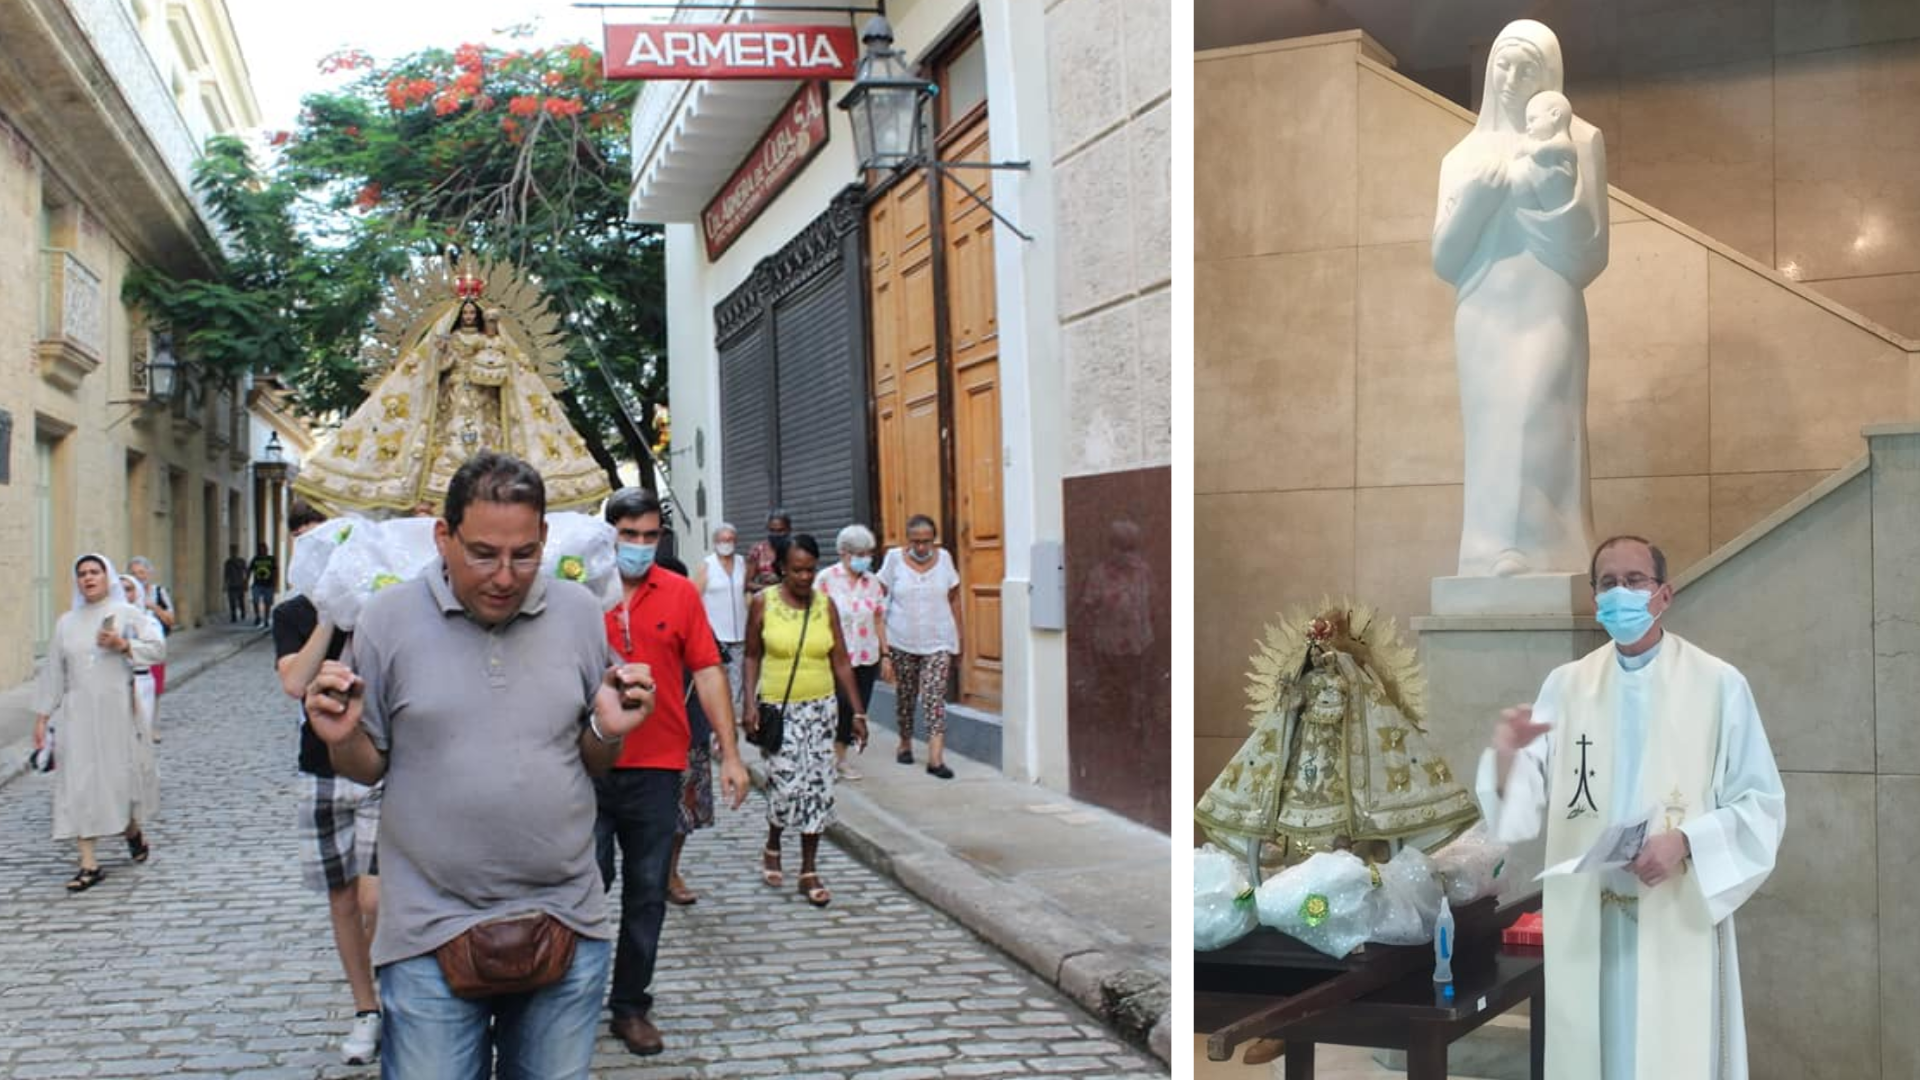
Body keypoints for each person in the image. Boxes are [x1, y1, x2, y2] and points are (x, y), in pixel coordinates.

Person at [302, 452, 657, 1078]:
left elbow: (591, 759)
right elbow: (368, 766)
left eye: (523, 554)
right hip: (426, 931)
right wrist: (340, 736)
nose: (503, 575)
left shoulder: (578, 613)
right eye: (483, 553)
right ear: (444, 536)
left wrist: (608, 727)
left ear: (545, 538)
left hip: (565, 918)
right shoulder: (387, 620)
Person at [1477, 535, 1786, 1080]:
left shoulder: (1717, 683)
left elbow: (1761, 803)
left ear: (1664, 595)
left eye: (1635, 581)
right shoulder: (1567, 685)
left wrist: (1686, 841)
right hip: (1587, 910)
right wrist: (1506, 755)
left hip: (1673, 904)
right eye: (1607, 583)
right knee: (1592, 1049)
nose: (1621, 592)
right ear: (1595, 599)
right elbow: (1521, 809)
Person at [1432, 19, 1605, 578]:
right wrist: (1479, 199)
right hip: (1482, 311)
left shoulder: (1581, 139)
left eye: (1527, 67)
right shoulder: (1461, 157)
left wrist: (1553, 189)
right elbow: (1444, 258)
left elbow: (1593, 251)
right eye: (1503, 63)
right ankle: (1487, 551)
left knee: (1539, 417)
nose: (1511, 78)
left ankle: (1542, 549)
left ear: (1550, 75)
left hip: (1547, 301)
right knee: (1492, 433)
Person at [593, 488, 749, 1058]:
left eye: (648, 536)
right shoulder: (578, 591)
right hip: (585, 763)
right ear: (607, 533)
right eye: (628, 535)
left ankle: (631, 1006)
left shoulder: (681, 592)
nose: (638, 546)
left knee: (647, 892)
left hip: (658, 768)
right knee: (585, 884)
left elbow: (707, 671)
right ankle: (567, 992)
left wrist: (730, 755)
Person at [289, 273, 609, 517]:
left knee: (487, 446)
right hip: (453, 400)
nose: (469, 317)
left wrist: (493, 344)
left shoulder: (491, 340)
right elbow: (436, 368)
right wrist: (440, 355)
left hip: (485, 405)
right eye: (465, 314)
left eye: (473, 314)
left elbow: (502, 368)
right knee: (446, 448)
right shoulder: (450, 339)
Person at [272, 500, 384, 1066]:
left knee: (375, 893)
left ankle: (395, 993)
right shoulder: (295, 612)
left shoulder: (381, 604)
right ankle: (367, 1010)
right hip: (320, 768)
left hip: (379, 766)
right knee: (343, 898)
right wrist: (328, 614)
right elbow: (295, 680)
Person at [742, 534, 869, 907]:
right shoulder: (763, 603)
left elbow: (841, 660)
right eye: (797, 569)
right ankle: (773, 842)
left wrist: (858, 711)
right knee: (785, 784)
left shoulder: (825, 605)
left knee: (818, 787)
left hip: (821, 709)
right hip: (780, 709)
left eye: (810, 569)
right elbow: (751, 656)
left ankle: (809, 870)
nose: (804, 577)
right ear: (782, 568)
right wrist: (749, 704)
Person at [31, 554, 164, 892]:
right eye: (82, 574)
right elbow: (54, 673)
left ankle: (130, 830)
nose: (88, 578)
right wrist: (43, 716)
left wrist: (123, 645)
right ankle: (88, 863)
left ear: (107, 578)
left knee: (115, 781)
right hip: (76, 715)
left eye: (95, 572)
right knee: (77, 784)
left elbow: (157, 648)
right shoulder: (66, 623)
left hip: (116, 712)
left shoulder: (126, 614)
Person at [877, 514, 963, 779]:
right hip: (901, 640)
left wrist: (960, 640)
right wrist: (884, 651)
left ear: (933, 540)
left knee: (934, 696)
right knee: (905, 695)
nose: (922, 547)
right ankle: (905, 742)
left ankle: (936, 758)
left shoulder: (945, 558)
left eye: (927, 541)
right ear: (908, 540)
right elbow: (878, 601)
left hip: (938, 640)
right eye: (916, 542)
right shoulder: (893, 559)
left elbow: (954, 599)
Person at [815, 524, 887, 781]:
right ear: (844, 553)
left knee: (856, 710)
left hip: (867, 656)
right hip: (835, 657)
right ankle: (826, 758)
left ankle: (840, 757)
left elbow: (878, 618)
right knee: (838, 706)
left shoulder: (873, 582)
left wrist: (886, 653)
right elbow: (815, 617)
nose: (864, 559)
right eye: (859, 553)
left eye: (868, 553)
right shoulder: (826, 579)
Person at [692, 522, 748, 708]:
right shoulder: (707, 566)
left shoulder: (742, 563)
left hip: (740, 631)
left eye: (730, 540)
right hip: (716, 633)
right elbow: (694, 598)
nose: (727, 543)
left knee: (738, 675)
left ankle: (734, 712)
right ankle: (719, 709)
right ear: (715, 542)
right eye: (723, 540)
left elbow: (748, 591)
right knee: (719, 675)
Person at [125, 556, 174, 741]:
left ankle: (151, 726)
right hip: (129, 648)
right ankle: (134, 725)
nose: (139, 577)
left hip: (153, 648)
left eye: (142, 573)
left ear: (149, 574)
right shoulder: (124, 594)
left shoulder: (158, 592)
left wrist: (153, 607)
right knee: (131, 687)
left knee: (155, 688)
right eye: (134, 573)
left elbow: (171, 619)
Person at [115, 575, 164, 744]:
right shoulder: (108, 621)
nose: (123, 594)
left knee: (138, 738)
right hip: (113, 684)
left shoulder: (148, 621)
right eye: (119, 589)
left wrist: (127, 646)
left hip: (140, 681)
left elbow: (157, 651)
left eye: (128, 589)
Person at [1514, 90, 1578, 211]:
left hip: (1558, 196)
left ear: (1555, 115)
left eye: (1532, 120)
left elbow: (1540, 152)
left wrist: (1525, 147)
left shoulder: (1563, 143)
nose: (1528, 126)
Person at [743, 509, 791, 596]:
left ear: (789, 529)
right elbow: (747, 584)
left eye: (780, 530)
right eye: (772, 530)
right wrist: (767, 588)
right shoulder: (757, 551)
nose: (776, 534)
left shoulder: (795, 550)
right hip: (765, 603)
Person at [249, 542, 278, 627]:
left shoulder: (271, 559)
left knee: (267, 603)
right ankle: (257, 616)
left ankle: (266, 619)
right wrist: (246, 581)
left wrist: (275, 583)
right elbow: (249, 570)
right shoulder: (255, 559)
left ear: (266, 549)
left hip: (268, 584)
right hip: (257, 584)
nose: (262, 550)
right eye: (260, 549)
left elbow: (275, 571)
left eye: (264, 548)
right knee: (255, 600)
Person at [223, 545, 249, 623]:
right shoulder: (228, 562)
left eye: (234, 550)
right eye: (231, 551)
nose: (233, 552)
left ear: (237, 551)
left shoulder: (242, 561)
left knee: (241, 601)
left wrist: (245, 583)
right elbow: (226, 574)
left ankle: (243, 612)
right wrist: (225, 584)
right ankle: (233, 615)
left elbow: (246, 572)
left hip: (240, 584)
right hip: (231, 584)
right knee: (232, 601)